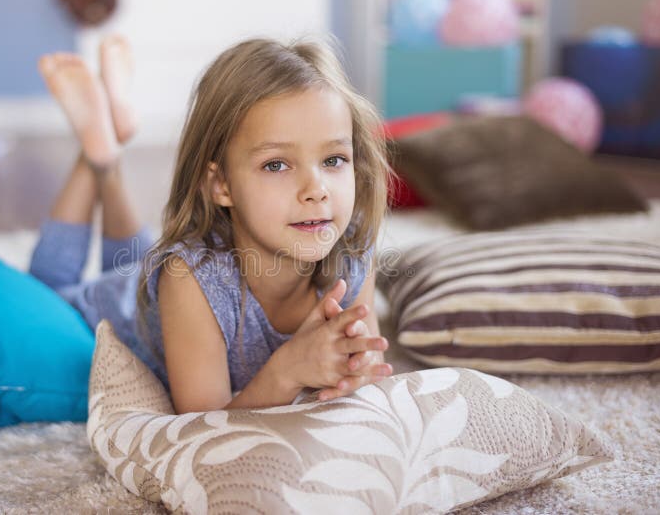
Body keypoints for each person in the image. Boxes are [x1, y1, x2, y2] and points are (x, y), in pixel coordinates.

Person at [29, 34, 394, 414]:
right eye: (276, 164)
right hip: (100, 313)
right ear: (221, 185)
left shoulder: (353, 254)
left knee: (131, 258)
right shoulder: (190, 277)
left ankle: (105, 145)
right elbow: (201, 428)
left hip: (139, 275)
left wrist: (357, 367)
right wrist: (287, 372)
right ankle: (97, 159)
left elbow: (366, 367)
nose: (316, 190)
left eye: (333, 160)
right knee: (48, 285)